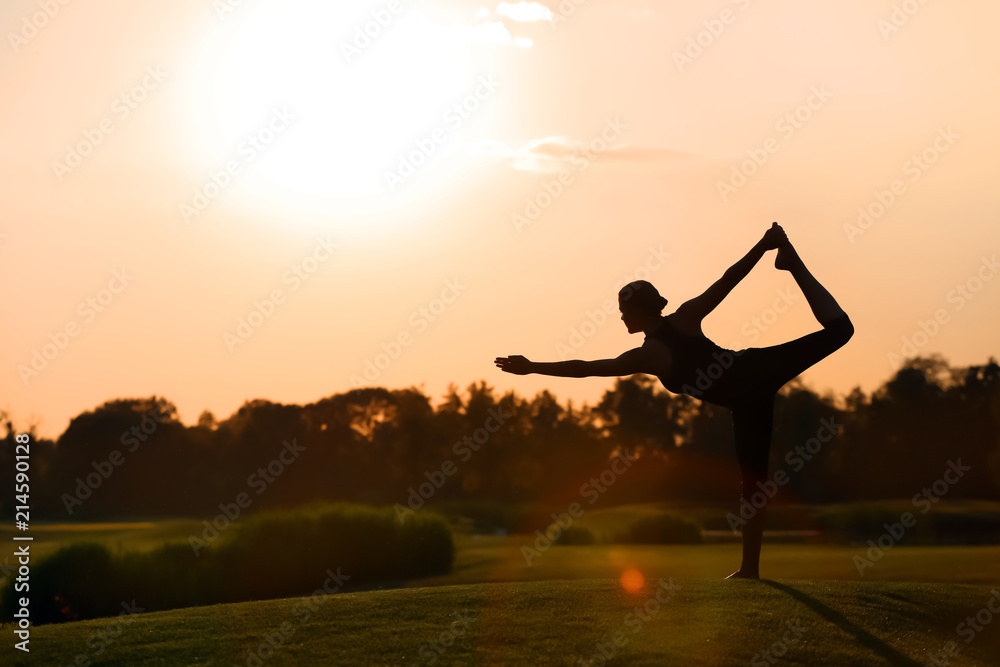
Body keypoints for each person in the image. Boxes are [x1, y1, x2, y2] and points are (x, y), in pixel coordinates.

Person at [495, 223, 854, 579]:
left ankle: (792, 264)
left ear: (640, 312)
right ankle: (750, 570)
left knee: (841, 330)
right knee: (753, 486)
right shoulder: (659, 342)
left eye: (625, 310)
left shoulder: (663, 340)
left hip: (754, 370)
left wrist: (764, 246)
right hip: (747, 404)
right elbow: (587, 368)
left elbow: (728, 280)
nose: (621, 316)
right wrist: (533, 368)